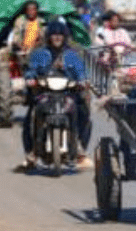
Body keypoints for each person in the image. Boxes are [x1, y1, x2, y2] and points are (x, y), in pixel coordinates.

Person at [20, 21, 92, 169]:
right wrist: (30, 79)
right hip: (44, 93)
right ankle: (31, 152)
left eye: (60, 35)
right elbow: (31, 69)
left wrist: (82, 81)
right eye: (54, 35)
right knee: (30, 117)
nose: (57, 38)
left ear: (65, 37)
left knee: (84, 113)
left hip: (68, 94)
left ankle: (79, 149)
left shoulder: (72, 55)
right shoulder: (39, 54)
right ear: (49, 37)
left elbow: (81, 72)